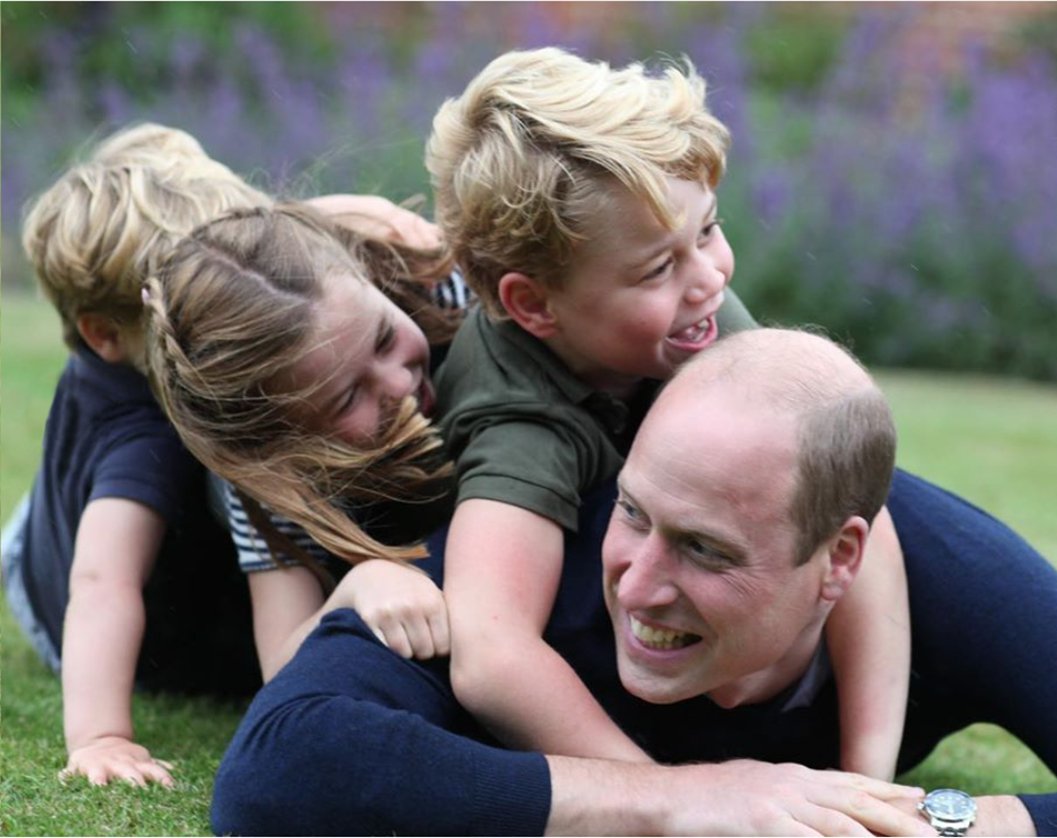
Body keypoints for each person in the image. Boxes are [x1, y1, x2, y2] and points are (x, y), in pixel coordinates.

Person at [209, 328, 1057, 835]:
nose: (640, 583)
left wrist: (921, 823)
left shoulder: (939, 568)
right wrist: (677, 805)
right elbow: (274, 775)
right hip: (201, 569)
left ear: (839, 559)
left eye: (705, 550)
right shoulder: (531, 559)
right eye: (636, 513)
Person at [424, 46, 910, 777]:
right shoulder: (518, 418)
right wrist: (669, 802)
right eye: (658, 268)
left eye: (708, 229)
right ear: (533, 304)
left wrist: (866, 780)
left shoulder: (689, 306)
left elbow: (860, 515)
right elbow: (491, 656)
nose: (709, 277)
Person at [1, 123, 270, 789]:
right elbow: (100, 586)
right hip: (55, 598)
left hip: (60, 516)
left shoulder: (133, 349)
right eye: (200, 307)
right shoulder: (144, 429)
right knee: (111, 513)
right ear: (107, 332)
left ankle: (46, 511)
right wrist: (101, 736)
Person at [144, 201, 469, 681]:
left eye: (382, 338)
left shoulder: (446, 291)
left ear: (366, 274)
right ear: (280, 440)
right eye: (347, 398)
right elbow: (280, 664)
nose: (399, 385)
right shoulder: (273, 479)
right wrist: (357, 586)